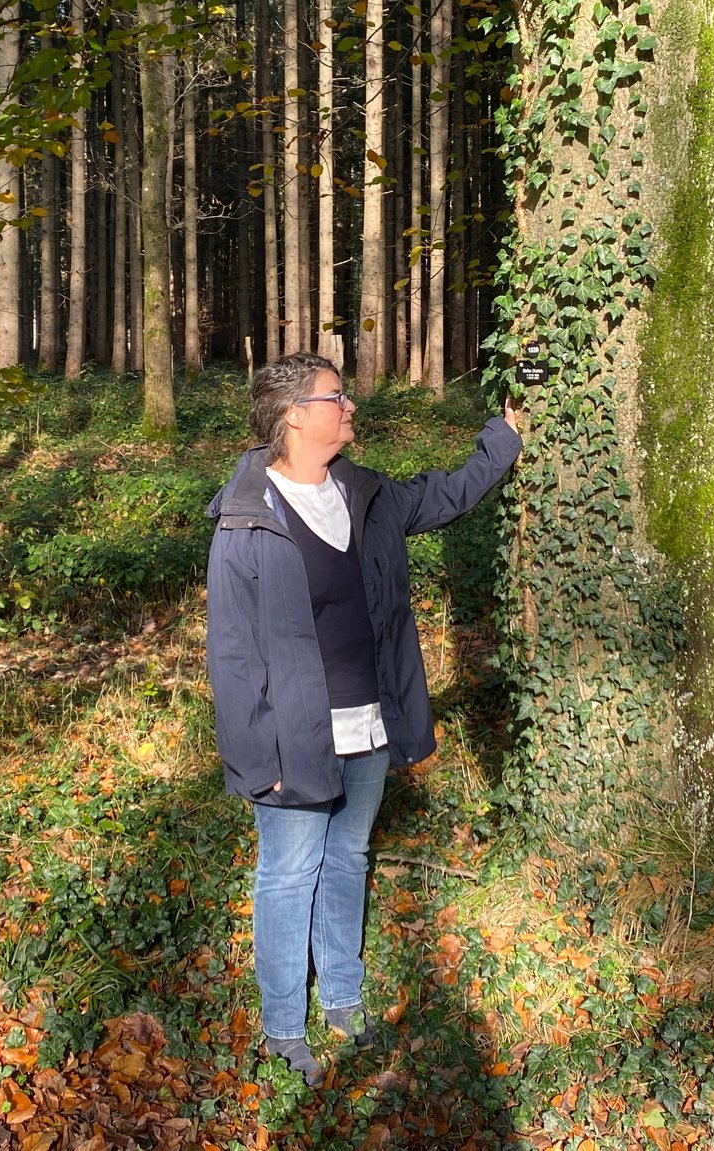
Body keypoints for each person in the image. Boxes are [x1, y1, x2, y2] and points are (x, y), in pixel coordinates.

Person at [205, 352, 522, 1085]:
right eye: (335, 397)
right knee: (289, 873)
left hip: (368, 727)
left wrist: (502, 438)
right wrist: (258, 757)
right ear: (293, 415)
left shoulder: (366, 493)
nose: (350, 406)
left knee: (347, 859)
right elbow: (233, 652)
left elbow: (446, 496)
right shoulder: (248, 518)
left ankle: (343, 997)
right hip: (294, 738)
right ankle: (285, 1026)